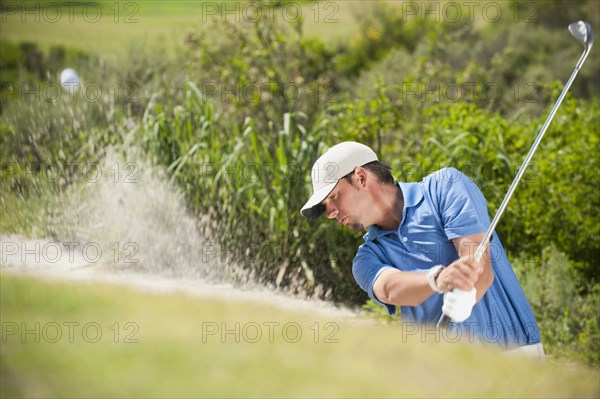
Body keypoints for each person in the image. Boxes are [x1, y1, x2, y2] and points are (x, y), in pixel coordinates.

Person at [300, 141, 544, 358]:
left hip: (514, 356)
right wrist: (436, 279)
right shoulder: (367, 257)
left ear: (361, 178)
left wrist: (468, 294)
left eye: (334, 197)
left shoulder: (444, 187)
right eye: (326, 207)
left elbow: (478, 264)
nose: (330, 213)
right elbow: (389, 288)